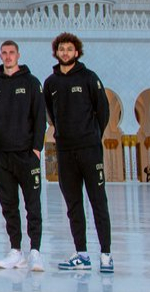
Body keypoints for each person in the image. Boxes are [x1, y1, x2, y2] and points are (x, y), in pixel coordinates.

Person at [44, 32, 113, 273]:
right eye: (61, 49)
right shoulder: (51, 83)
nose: (65, 53)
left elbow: (102, 111)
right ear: (56, 52)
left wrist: (93, 136)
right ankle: (81, 253)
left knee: (98, 201)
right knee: (73, 205)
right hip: (65, 151)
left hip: (89, 150)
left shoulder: (88, 78)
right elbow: (50, 114)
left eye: (69, 49)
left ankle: (106, 254)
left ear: (77, 52)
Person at [0, 40, 45, 272]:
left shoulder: (32, 83)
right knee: (9, 206)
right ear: (0, 56)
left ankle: (35, 251)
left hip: (26, 155)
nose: (8, 57)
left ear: (18, 55)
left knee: (32, 204)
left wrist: (36, 149)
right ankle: (16, 250)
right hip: (2, 157)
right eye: (4, 53)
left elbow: (40, 117)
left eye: (12, 53)